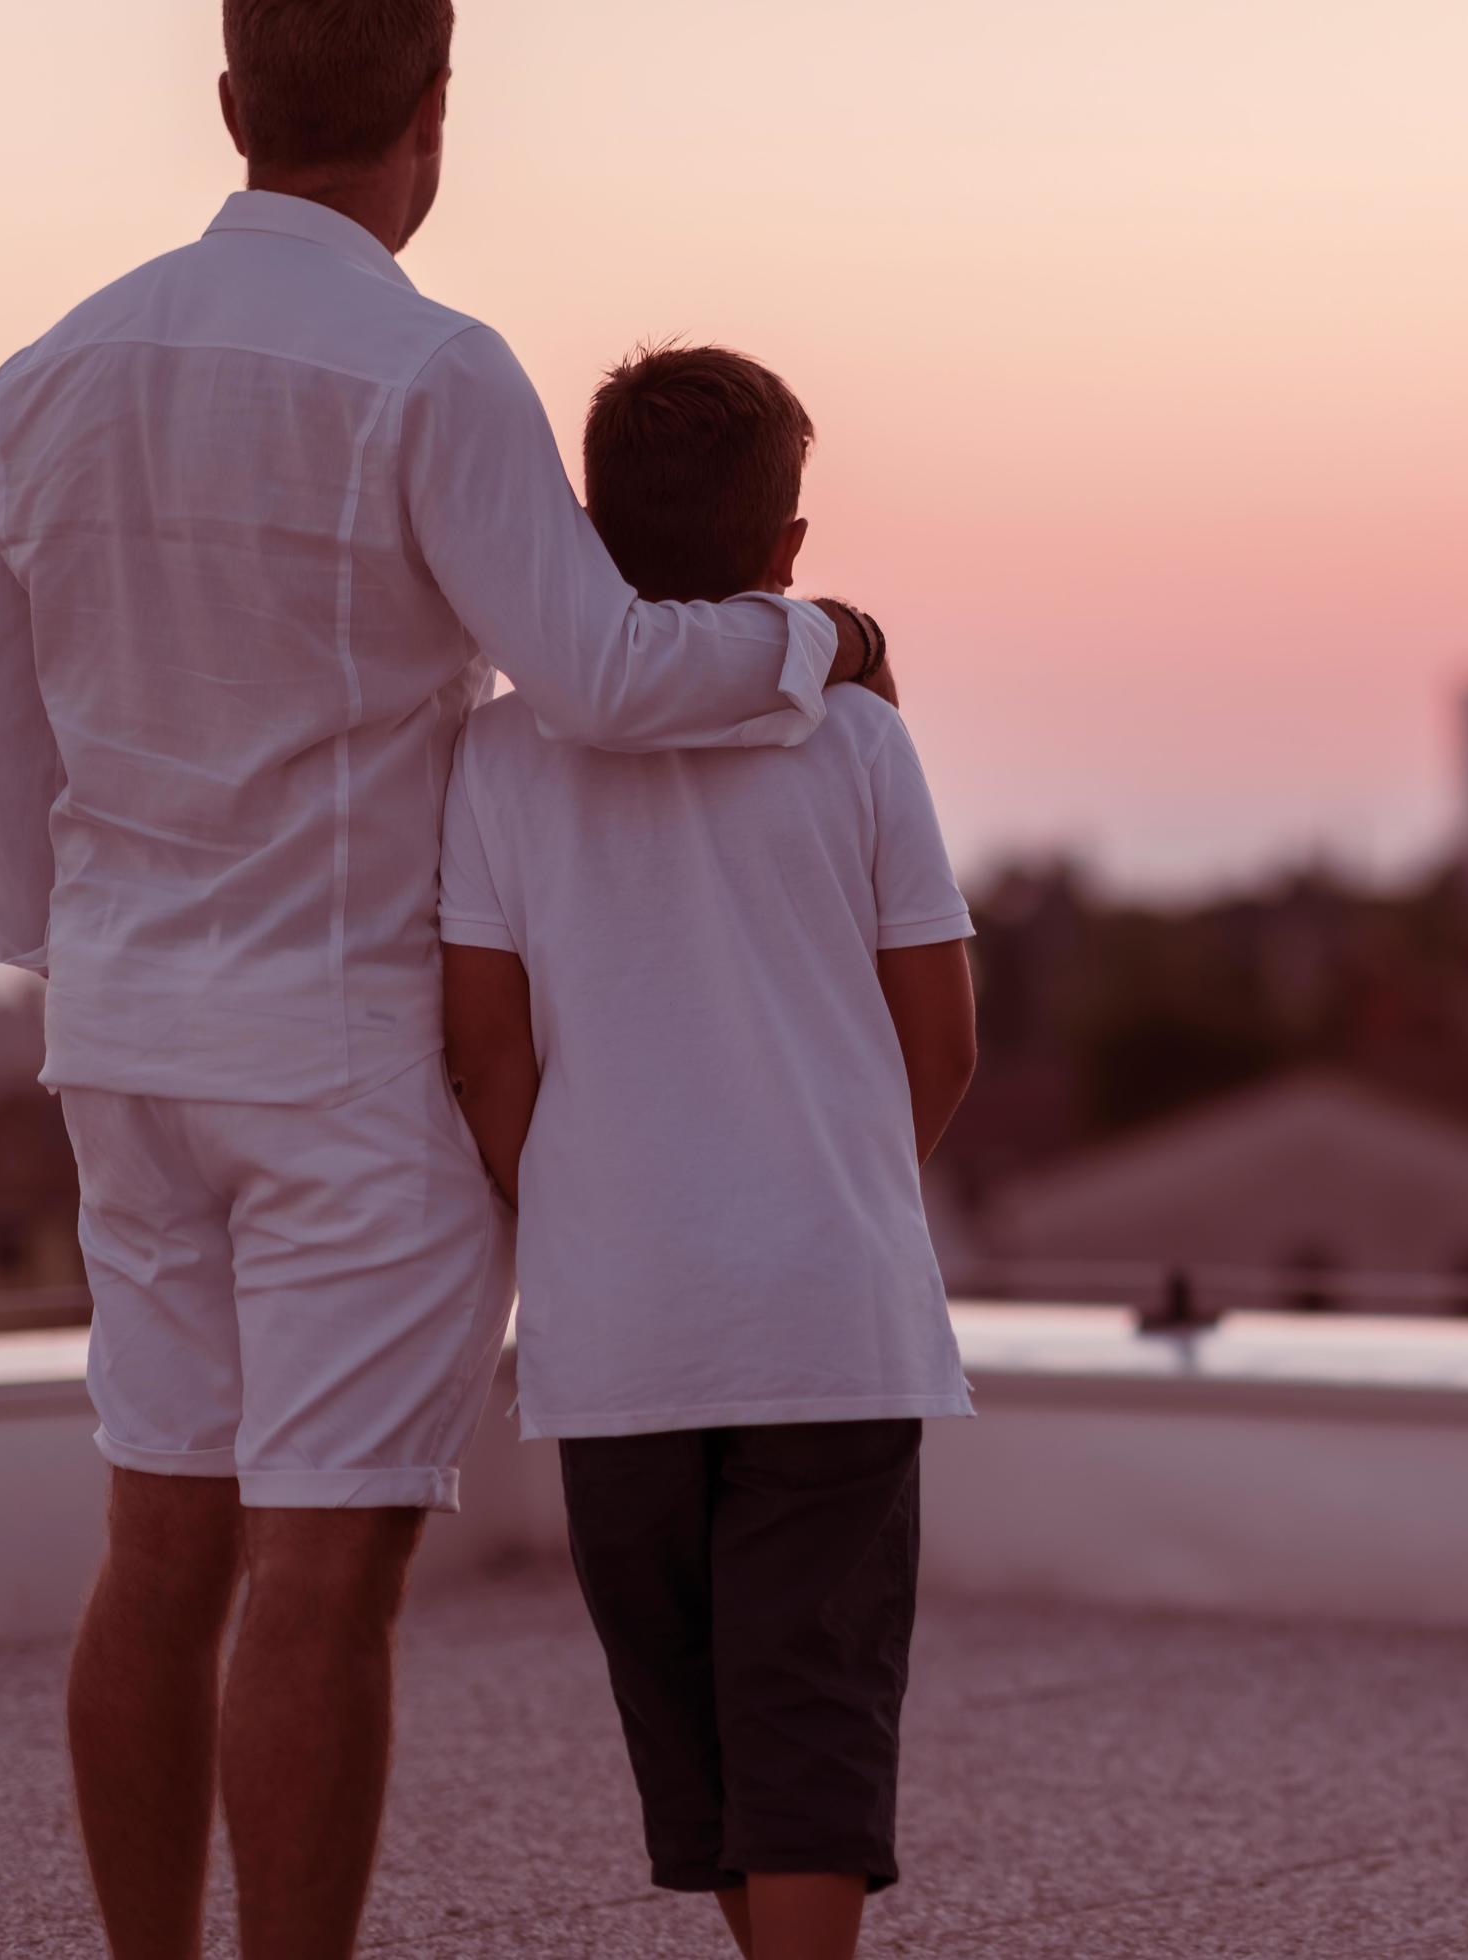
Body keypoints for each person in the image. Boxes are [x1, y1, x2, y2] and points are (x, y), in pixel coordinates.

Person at [0, 5, 889, 1956]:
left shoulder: (45, 373)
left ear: (229, 102)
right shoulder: (430, 365)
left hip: (124, 1039)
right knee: (321, 1570)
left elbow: (3, 771)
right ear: (435, 114)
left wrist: (84, 968)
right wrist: (814, 640)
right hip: (346, 1058)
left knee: (155, 1542)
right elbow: (608, 676)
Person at [437, 342, 979, 1960]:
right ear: (788, 550)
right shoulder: (864, 743)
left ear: (588, 542)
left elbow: (484, 1057)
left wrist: (599, 1210)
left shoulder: (499, 759)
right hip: (831, 1310)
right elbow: (937, 1043)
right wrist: (834, 1186)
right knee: (806, 1722)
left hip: (621, 1328)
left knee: (699, 1737)